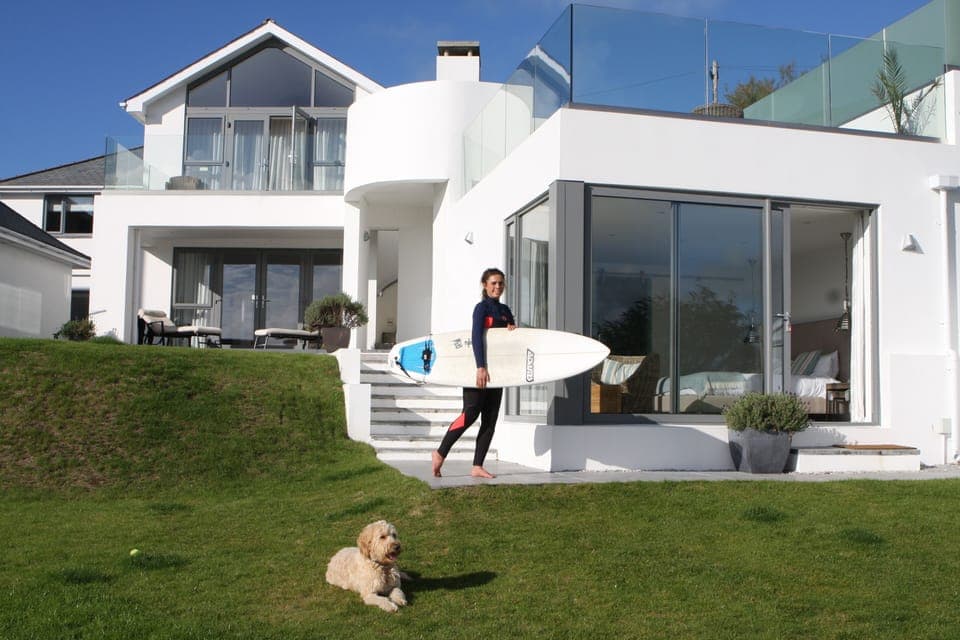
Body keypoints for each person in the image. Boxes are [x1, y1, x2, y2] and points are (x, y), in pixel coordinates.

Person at [432, 268, 516, 479]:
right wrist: (480, 366)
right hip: (478, 370)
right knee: (470, 414)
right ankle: (440, 452)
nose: (498, 287)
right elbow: (477, 337)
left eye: (500, 283)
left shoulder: (506, 310)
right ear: (485, 285)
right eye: (494, 283)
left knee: (490, 420)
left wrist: (513, 331)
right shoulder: (481, 309)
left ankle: (477, 465)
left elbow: (509, 342)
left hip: (498, 374)